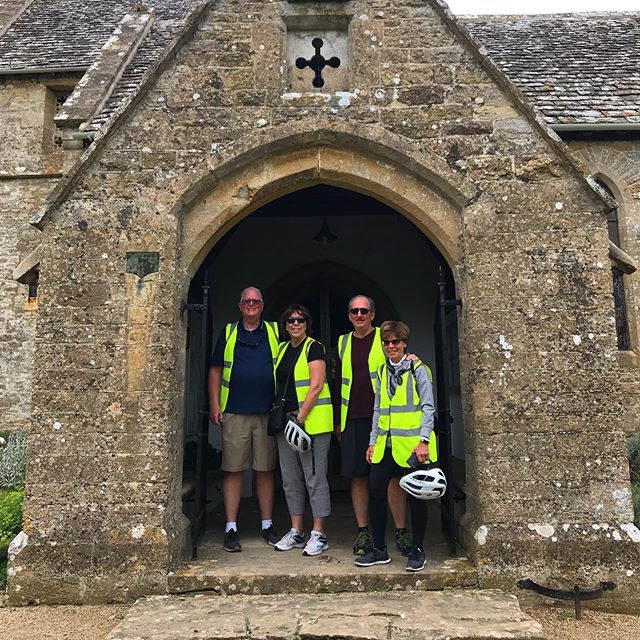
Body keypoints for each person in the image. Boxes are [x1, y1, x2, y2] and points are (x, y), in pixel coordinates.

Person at [334, 295, 413, 557]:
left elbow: (398, 352)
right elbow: (339, 382)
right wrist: (338, 420)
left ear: (372, 314)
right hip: (352, 417)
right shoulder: (343, 341)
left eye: (364, 311)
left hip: (383, 418)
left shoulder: (383, 337)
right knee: (358, 476)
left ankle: (401, 531)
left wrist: (410, 358)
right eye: (354, 311)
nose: (359, 315)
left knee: (391, 477)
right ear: (349, 315)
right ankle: (363, 530)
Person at [355, 320, 436, 572]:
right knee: (376, 492)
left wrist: (423, 440)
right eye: (387, 342)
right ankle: (379, 549)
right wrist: (372, 442)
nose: (391, 346)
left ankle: (418, 550)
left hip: (413, 445)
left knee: (417, 498)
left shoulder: (418, 370)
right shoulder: (381, 371)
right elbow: (378, 409)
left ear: (404, 343)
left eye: (396, 342)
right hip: (385, 444)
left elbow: (428, 407)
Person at [208, 286, 281, 552]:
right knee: (233, 469)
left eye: (256, 301)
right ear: (240, 306)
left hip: (265, 412)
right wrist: (215, 403)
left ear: (262, 306)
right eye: (246, 301)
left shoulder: (274, 332)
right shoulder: (229, 333)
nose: (251, 304)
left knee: (265, 469)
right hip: (235, 411)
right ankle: (231, 528)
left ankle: (267, 524)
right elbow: (215, 370)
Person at [272, 304, 333, 556]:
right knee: (290, 478)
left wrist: (301, 416)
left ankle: (319, 533)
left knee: (314, 477)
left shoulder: (314, 347)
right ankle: (297, 531)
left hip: (311, 423)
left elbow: (316, 385)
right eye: (290, 320)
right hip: (286, 422)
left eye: (300, 320)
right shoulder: (282, 348)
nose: (295, 324)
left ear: (307, 324)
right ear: (285, 325)